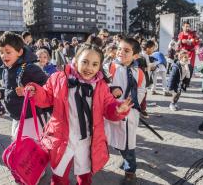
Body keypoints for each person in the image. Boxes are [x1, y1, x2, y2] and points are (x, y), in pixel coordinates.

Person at [26, 44, 133, 185]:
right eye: (85, 62)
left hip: (88, 141)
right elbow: (46, 96)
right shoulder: (58, 78)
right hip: (62, 137)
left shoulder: (101, 86)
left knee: (84, 177)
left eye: (95, 64)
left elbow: (108, 107)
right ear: (75, 61)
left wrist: (118, 109)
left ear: (99, 66)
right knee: (59, 176)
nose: (89, 68)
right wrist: (36, 91)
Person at [105, 37, 146, 185]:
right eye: (120, 48)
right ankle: (125, 160)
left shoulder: (139, 72)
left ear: (135, 56)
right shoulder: (110, 67)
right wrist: (111, 92)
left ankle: (130, 171)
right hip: (111, 111)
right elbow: (103, 84)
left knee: (127, 143)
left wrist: (130, 104)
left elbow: (141, 89)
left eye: (126, 50)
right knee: (115, 139)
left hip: (128, 113)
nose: (121, 52)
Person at [0, 31, 48, 139]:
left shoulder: (30, 68)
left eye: (8, 52)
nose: (4, 56)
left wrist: (30, 91)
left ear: (20, 52)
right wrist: (1, 93)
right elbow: (9, 88)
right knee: (19, 147)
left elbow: (47, 86)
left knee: (30, 150)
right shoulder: (7, 69)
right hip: (17, 117)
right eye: (1, 52)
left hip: (32, 118)